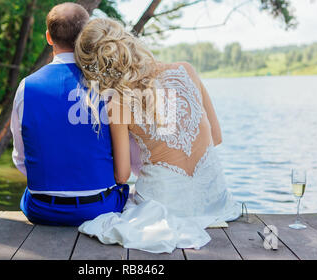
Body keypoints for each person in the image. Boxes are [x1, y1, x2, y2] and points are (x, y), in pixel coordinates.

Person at [74, 18, 241, 253]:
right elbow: (217, 137)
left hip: (164, 204)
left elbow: (122, 176)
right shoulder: (186, 69)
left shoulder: (118, 102)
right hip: (215, 200)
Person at [10, 4, 129, 226]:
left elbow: (20, 157)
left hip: (41, 209)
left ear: (48, 37)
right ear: (86, 36)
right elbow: (123, 168)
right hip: (99, 209)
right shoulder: (105, 85)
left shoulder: (26, 87)